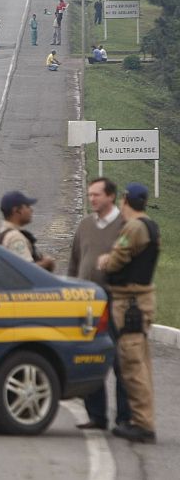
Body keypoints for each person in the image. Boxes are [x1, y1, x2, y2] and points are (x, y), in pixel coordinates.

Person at [98, 183, 160, 444]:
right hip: (140, 300)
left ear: (125, 200)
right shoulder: (150, 225)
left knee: (132, 365)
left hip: (130, 302)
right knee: (139, 362)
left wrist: (104, 261)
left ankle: (143, 424)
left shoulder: (134, 227)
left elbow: (115, 260)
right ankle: (141, 419)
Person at [68, 178, 131, 431]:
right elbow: (75, 261)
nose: (92, 199)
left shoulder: (125, 226)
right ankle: (96, 416)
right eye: (90, 194)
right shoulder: (85, 224)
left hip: (116, 302)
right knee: (90, 358)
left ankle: (124, 417)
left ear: (111, 197)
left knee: (120, 360)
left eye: (97, 195)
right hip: (88, 304)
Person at [0, 191, 55, 272]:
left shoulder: (4, 232)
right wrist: (46, 263)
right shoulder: (15, 238)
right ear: (17, 211)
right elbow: (26, 271)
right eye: (27, 206)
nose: (31, 210)